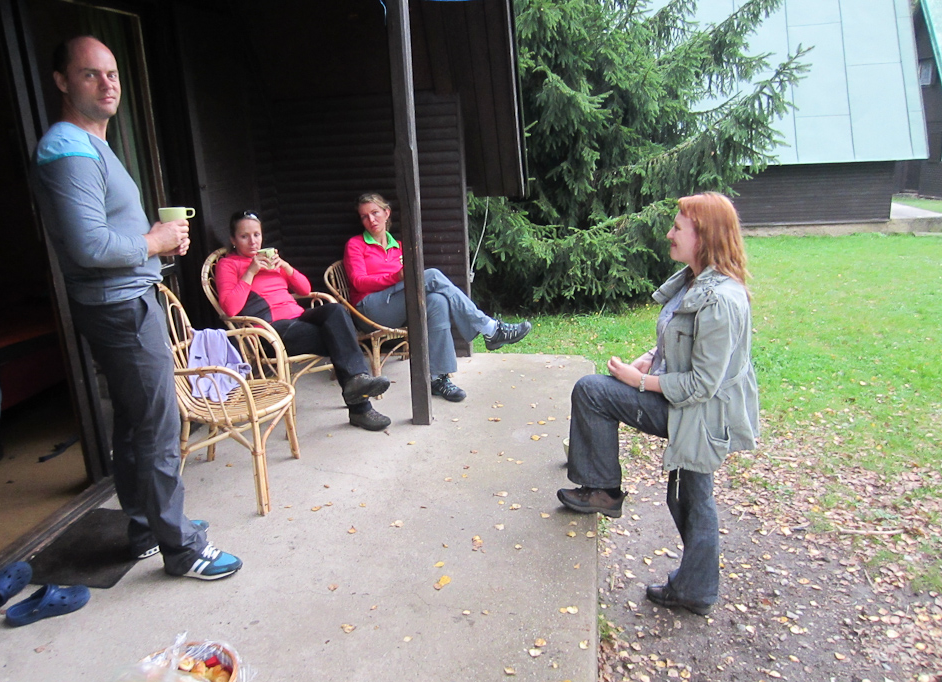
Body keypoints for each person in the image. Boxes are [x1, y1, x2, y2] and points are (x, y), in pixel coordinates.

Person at [32, 36, 241, 580]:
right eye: (90, 74)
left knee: (133, 423)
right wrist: (153, 241)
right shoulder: (69, 150)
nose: (107, 84)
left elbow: (107, 235)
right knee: (158, 426)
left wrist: (159, 244)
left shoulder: (89, 143)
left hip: (123, 301)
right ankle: (182, 547)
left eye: (113, 74)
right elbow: (89, 246)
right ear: (61, 81)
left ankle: (147, 528)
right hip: (121, 308)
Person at [557, 192, 759, 616]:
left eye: (678, 228)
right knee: (688, 496)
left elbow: (702, 384)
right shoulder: (694, 280)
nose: (669, 234)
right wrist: (652, 357)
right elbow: (684, 340)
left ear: (703, 237)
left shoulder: (721, 300)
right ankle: (695, 587)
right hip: (689, 405)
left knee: (594, 392)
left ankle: (603, 492)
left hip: (701, 415)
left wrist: (640, 381)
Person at [344, 193, 531, 402]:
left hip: (397, 305)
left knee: (437, 302)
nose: (371, 220)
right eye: (364, 216)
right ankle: (490, 328)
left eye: (375, 213)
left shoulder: (399, 246)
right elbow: (358, 281)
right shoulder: (355, 245)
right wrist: (395, 277)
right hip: (368, 310)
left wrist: (400, 280)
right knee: (432, 276)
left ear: (387, 213)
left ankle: (438, 378)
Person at [215, 211, 392, 430]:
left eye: (256, 235)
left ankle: (358, 383)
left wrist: (285, 267)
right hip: (270, 331)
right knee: (340, 337)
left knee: (336, 311)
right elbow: (230, 308)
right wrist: (250, 272)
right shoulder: (228, 265)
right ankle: (360, 407)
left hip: (298, 317)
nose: (253, 241)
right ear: (233, 239)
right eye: (244, 236)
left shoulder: (270, 260)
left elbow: (305, 289)